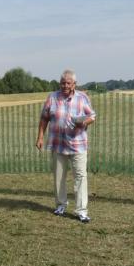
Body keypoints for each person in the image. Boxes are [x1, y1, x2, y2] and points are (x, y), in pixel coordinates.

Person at [35, 69, 96, 223]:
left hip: (78, 145)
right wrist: (40, 137)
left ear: (74, 84)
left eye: (68, 83)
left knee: (80, 177)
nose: (65, 86)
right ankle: (61, 205)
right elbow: (44, 118)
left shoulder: (82, 98)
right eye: (63, 83)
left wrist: (84, 122)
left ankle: (81, 211)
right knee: (59, 177)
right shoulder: (52, 97)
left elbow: (92, 116)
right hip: (58, 144)